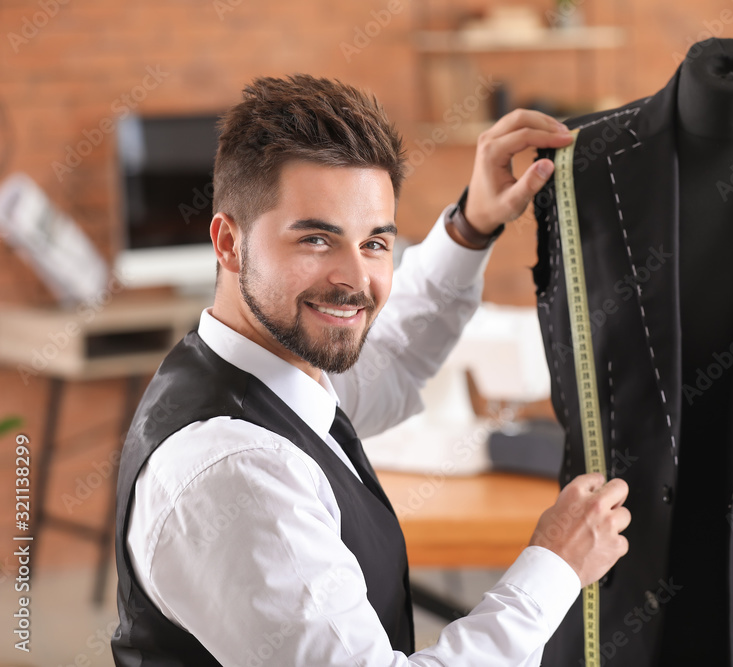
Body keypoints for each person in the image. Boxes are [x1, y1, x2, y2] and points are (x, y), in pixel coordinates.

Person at [111, 74, 631, 667]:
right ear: (229, 243)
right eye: (315, 239)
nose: (356, 280)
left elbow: (397, 358)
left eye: (376, 243)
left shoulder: (273, 372)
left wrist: (472, 224)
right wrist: (554, 566)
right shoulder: (238, 471)